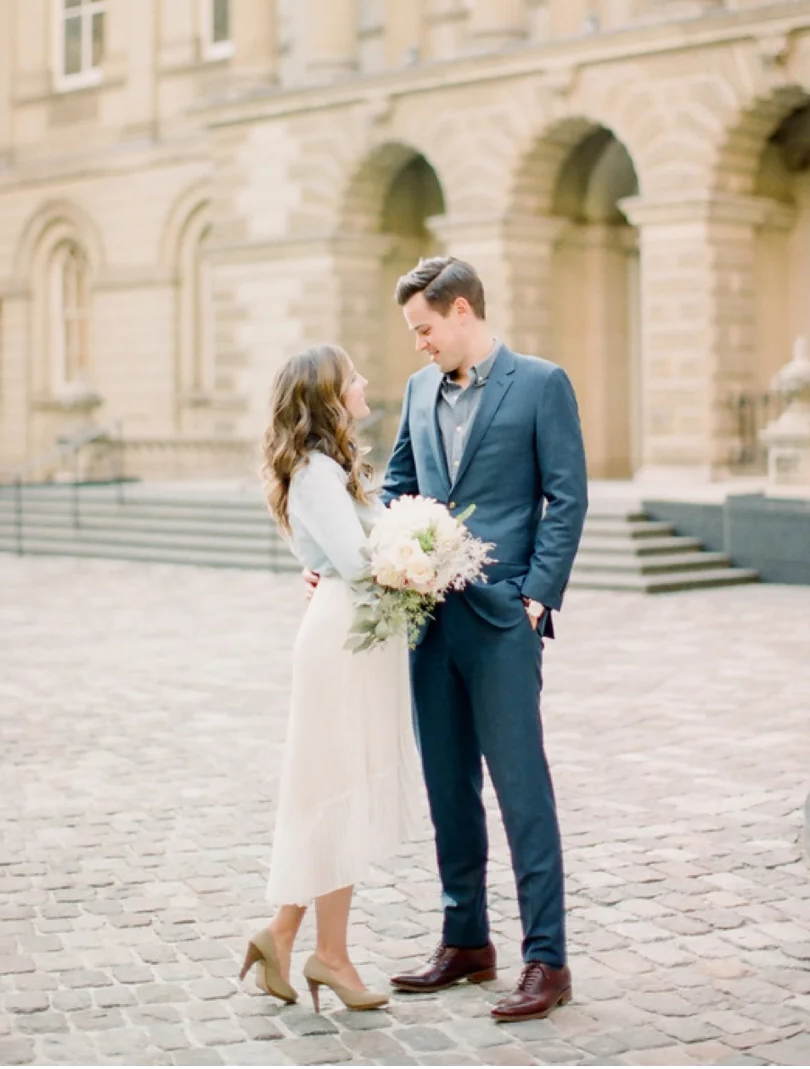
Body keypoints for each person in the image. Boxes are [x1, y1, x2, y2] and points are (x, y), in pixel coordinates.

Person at [381, 255, 587, 1022]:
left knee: (521, 790)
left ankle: (546, 958)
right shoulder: (416, 391)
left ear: (461, 311)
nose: (419, 344)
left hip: (503, 621)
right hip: (428, 619)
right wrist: (375, 546)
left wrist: (535, 597)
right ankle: (465, 941)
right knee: (448, 787)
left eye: (424, 328)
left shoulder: (540, 383)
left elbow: (567, 495)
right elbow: (397, 482)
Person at [240, 345, 422, 1013]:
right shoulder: (316, 471)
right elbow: (355, 558)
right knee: (335, 790)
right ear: (327, 395)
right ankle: (329, 954)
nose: (364, 382)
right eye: (353, 378)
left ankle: (287, 934)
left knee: (330, 788)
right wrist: (419, 547)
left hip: (352, 631)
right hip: (343, 637)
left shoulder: (324, 467)